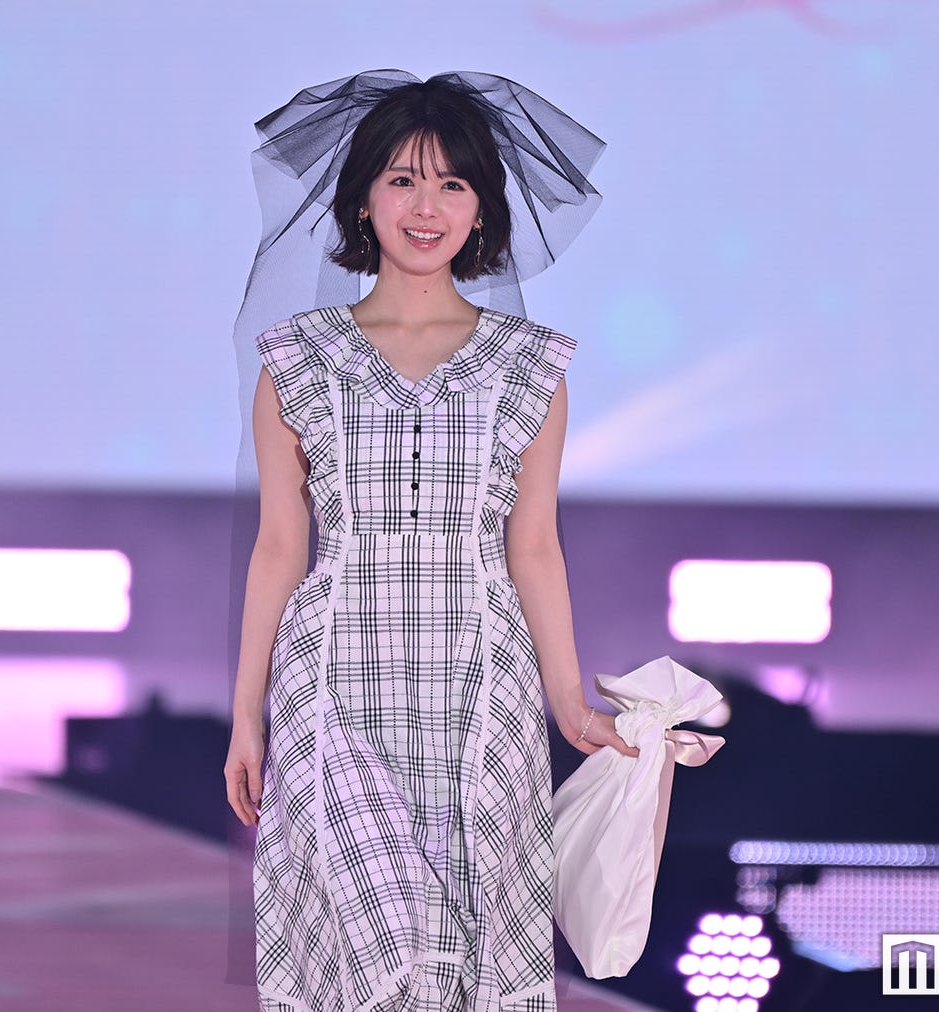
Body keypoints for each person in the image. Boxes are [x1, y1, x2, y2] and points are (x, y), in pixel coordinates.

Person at [222, 72, 637, 1011]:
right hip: (333, 681)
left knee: (469, 945)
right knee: (373, 935)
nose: (427, 206)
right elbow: (280, 545)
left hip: (480, 687)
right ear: (363, 198)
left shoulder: (529, 366)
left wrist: (566, 702)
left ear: (482, 208)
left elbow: (535, 547)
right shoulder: (297, 358)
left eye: (453, 184)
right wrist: (247, 715)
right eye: (403, 180)